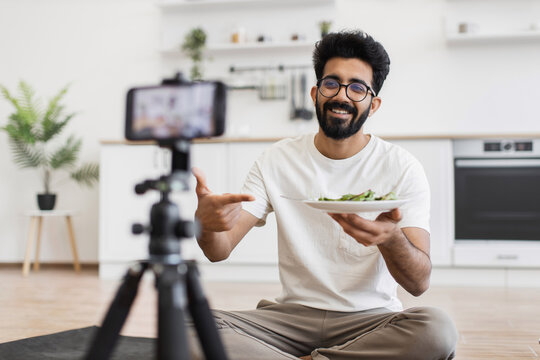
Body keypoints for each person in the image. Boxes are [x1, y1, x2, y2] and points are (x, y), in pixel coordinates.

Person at [191, 30, 458, 360]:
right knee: (190, 328)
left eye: (357, 88)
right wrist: (205, 225)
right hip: (288, 320)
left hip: (370, 323)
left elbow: (419, 283)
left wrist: (390, 239)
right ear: (316, 93)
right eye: (332, 83)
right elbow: (220, 250)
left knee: (436, 329)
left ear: (373, 105)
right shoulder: (277, 159)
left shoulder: (401, 167)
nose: (342, 96)